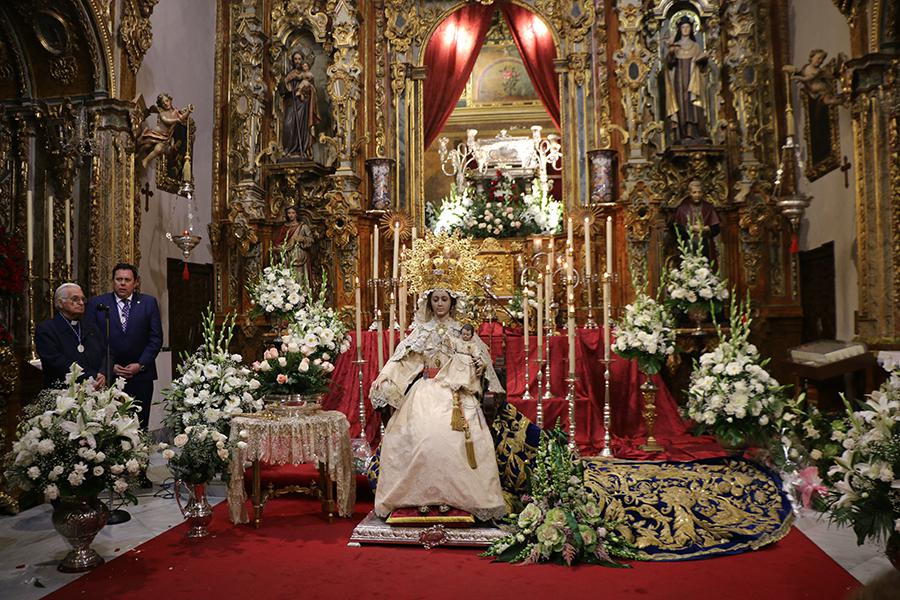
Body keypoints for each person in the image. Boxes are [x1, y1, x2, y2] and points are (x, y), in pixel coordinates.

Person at [370, 288, 506, 521]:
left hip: (456, 394)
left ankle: (460, 498)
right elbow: (404, 361)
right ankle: (418, 496)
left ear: (452, 302)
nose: (440, 304)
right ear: (429, 303)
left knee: (452, 437)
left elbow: (480, 360)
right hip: (425, 391)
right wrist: (386, 378)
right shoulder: (422, 332)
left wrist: (476, 368)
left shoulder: (463, 332)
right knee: (420, 434)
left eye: (444, 299)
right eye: (435, 299)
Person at [86, 263, 163, 432]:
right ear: (112, 281)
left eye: (127, 280)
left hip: (140, 376)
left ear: (136, 282)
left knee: (139, 425)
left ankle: (141, 458)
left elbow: (156, 338)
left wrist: (140, 364)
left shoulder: (148, 303)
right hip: (107, 376)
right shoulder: (97, 304)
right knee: (110, 427)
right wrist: (108, 367)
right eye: (118, 279)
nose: (122, 283)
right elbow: (91, 340)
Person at [35, 283, 106, 389]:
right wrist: (90, 376)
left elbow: (106, 353)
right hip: (63, 391)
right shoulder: (46, 329)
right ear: (60, 303)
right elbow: (56, 362)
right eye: (75, 299)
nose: (81, 303)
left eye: (83, 299)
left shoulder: (91, 327)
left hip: (95, 388)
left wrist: (102, 373)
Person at [665, 16, 710, 144]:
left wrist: (703, 59)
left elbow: (703, 67)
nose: (685, 29)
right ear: (680, 29)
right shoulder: (676, 46)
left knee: (693, 104)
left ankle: (694, 131)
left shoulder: (695, 46)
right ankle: (682, 132)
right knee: (681, 103)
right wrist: (671, 53)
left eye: (688, 27)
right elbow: (669, 64)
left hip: (693, 81)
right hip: (679, 81)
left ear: (691, 29)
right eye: (683, 27)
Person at [137, 93, 194, 169]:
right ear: (161, 105)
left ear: (170, 100)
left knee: (158, 149)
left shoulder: (175, 112)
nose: (166, 104)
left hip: (164, 138)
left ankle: (145, 160)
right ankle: (136, 154)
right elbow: (166, 120)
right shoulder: (163, 113)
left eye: (167, 101)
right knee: (146, 145)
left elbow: (182, 118)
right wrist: (176, 120)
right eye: (163, 103)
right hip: (156, 133)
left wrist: (188, 111)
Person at [279, 52, 320, 157]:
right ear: (292, 61)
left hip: (302, 104)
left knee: (301, 127)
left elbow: (312, 89)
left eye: (299, 59)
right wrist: (287, 81)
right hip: (290, 104)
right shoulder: (290, 74)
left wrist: (304, 89)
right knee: (288, 125)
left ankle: (301, 150)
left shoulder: (306, 74)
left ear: (302, 60)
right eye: (295, 59)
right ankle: (288, 149)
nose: (297, 61)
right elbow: (282, 89)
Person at [673, 179, 721, 265]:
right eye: (694, 192)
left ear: (703, 193)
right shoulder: (682, 208)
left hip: (706, 244)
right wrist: (690, 228)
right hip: (688, 244)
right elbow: (676, 229)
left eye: (699, 192)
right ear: (689, 193)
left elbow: (716, 228)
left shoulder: (708, 207)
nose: (697, 195)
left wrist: (706, 228)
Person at [273, 205, 314, 280]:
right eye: (289, 213)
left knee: (299, 276)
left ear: (296, 214)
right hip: (286, 255)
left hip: (299, 255)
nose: (291, 215)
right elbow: (278, 242)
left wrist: (301, 239)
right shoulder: (283, 227)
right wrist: (279, 248)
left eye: (293, 213)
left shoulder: (302, 227)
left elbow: (311, 240)